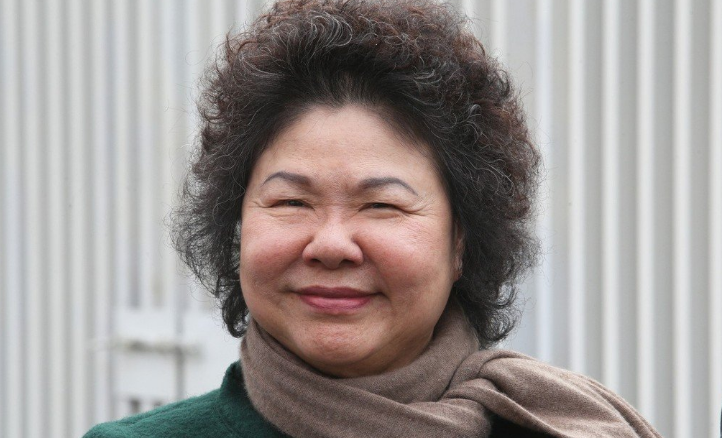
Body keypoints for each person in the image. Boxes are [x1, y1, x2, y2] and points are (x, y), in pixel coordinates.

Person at [86, 0, 661, 437]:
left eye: (382, 205)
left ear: (462, 241)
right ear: (235, 227)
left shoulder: (561, 426)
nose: (331, 244)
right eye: (291, 202)